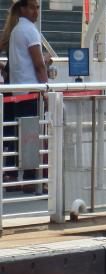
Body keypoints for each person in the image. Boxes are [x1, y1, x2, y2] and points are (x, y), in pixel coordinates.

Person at [1, 0, 51, 191]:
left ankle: (11, 176)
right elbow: (38, 64)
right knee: (31, 135)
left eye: (38, 7)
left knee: (15, 133)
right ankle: (31, 179)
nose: (36, 11)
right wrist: (45, 89)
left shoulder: (14, 31)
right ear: (22, 9)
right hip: (30, 92)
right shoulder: (30, 30)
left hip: (16, 91)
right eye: (32, 7)